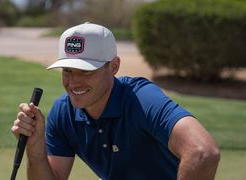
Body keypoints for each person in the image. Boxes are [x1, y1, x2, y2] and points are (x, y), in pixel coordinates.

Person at [11, 22, 220, 180]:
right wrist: (36, 149)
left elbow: (203, 152)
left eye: (85, 71)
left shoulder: (142, 99)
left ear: (113, 67)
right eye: (67, 70)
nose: (73, 82)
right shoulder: (63, 112)